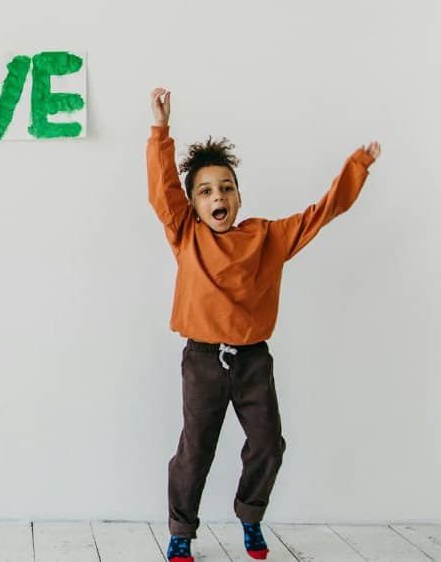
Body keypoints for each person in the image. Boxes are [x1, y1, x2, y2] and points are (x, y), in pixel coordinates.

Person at [146, 87, 381, 561]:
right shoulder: (185, 233)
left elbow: (320, 213)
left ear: (238, 196)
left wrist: (357, 166)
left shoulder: (267, 237)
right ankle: (181, 530)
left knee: (269, 444)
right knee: (196, 450)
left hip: (253, 361)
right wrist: (160, 129)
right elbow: (162, 187)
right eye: (206, 191)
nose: (218, 196)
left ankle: (250, 515)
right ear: (192, 204)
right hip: (203, 362)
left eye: (226, 188)